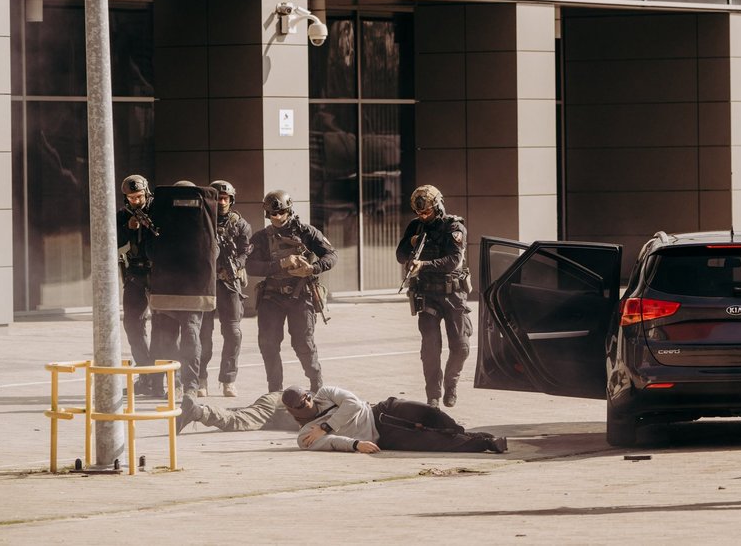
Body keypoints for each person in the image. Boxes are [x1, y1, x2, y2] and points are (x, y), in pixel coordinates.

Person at [176, 385, 508, 455]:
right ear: (294, 411)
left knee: (432, 414)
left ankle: (463, 432)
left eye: (309, 397)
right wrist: (350, 442)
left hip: (383, 409)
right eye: (303, 404)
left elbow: (351, 401)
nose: (309, 402)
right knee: (244, 419)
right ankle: (485, 442)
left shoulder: (324, 394)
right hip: (379, 432)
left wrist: (326, 423)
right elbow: (322, 442)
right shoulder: (301, 425)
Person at [246, 190, 337, 393]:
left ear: (289, 210)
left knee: (304, 344)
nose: (276, 217)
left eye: (280, 212)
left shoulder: (307, 232)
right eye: (272, 214)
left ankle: (317, 386)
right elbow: (251, 267)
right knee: (268, 345)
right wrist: (280, 263)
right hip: (272, 296)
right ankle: (275, 391)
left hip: (301, 294)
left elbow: (331, 255)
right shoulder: (261, 238)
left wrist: (313, 268)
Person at [396, 185, 472, 408]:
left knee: (461, 347)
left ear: (437, 206)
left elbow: (453, 261)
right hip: (427, 294)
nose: (423, 216)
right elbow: (400, 255)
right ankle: (433, 396)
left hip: (453, 294)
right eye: (419, 213)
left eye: (427, 212)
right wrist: (411, 244)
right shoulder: (416, 226)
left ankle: (451, 385)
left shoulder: (454, 227)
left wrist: (424, 264)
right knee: (430, 349)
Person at [146, 181, 219, 398]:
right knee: (192, 337)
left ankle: (173, 384)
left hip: (167, 288)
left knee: (167, 339)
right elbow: (213, 253)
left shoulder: (162, 214)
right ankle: (191, 386)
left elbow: (151, 251)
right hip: (196, 289)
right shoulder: (205, 217)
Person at [199, 180, 252, 398]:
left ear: (231, 200)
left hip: (230, 283)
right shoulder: (202, 221)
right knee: (203, 334)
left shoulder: (240, 224)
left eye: (225, 198)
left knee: (233, 332)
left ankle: (228, 379)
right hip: (206, 283)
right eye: (217, 198)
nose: (221, 202)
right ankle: (201, 379)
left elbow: (245, 251)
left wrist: (236, 266)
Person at [116, 174, 155, 394]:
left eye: (139, 196)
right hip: (134, 273)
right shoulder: (123, 215)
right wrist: (128, 228)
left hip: (157, 273)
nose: (135, 201)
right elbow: (111, 240)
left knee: (165, 326)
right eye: (131, 198)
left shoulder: (157, 210)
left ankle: (169, 376)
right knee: (132, 324)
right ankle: (146, 373)